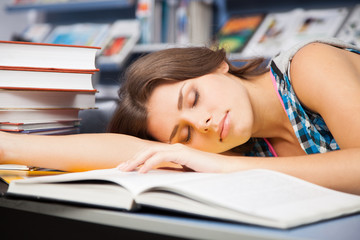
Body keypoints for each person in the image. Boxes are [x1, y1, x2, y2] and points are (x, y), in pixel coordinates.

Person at [0, 37, 360, 195]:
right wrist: (9, 146)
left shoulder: (310, 64)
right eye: (185, 136)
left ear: (218, 64)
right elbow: (131, 153)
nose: (202, 123)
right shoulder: (243, 144)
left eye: (194, 98)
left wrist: (219, 164)